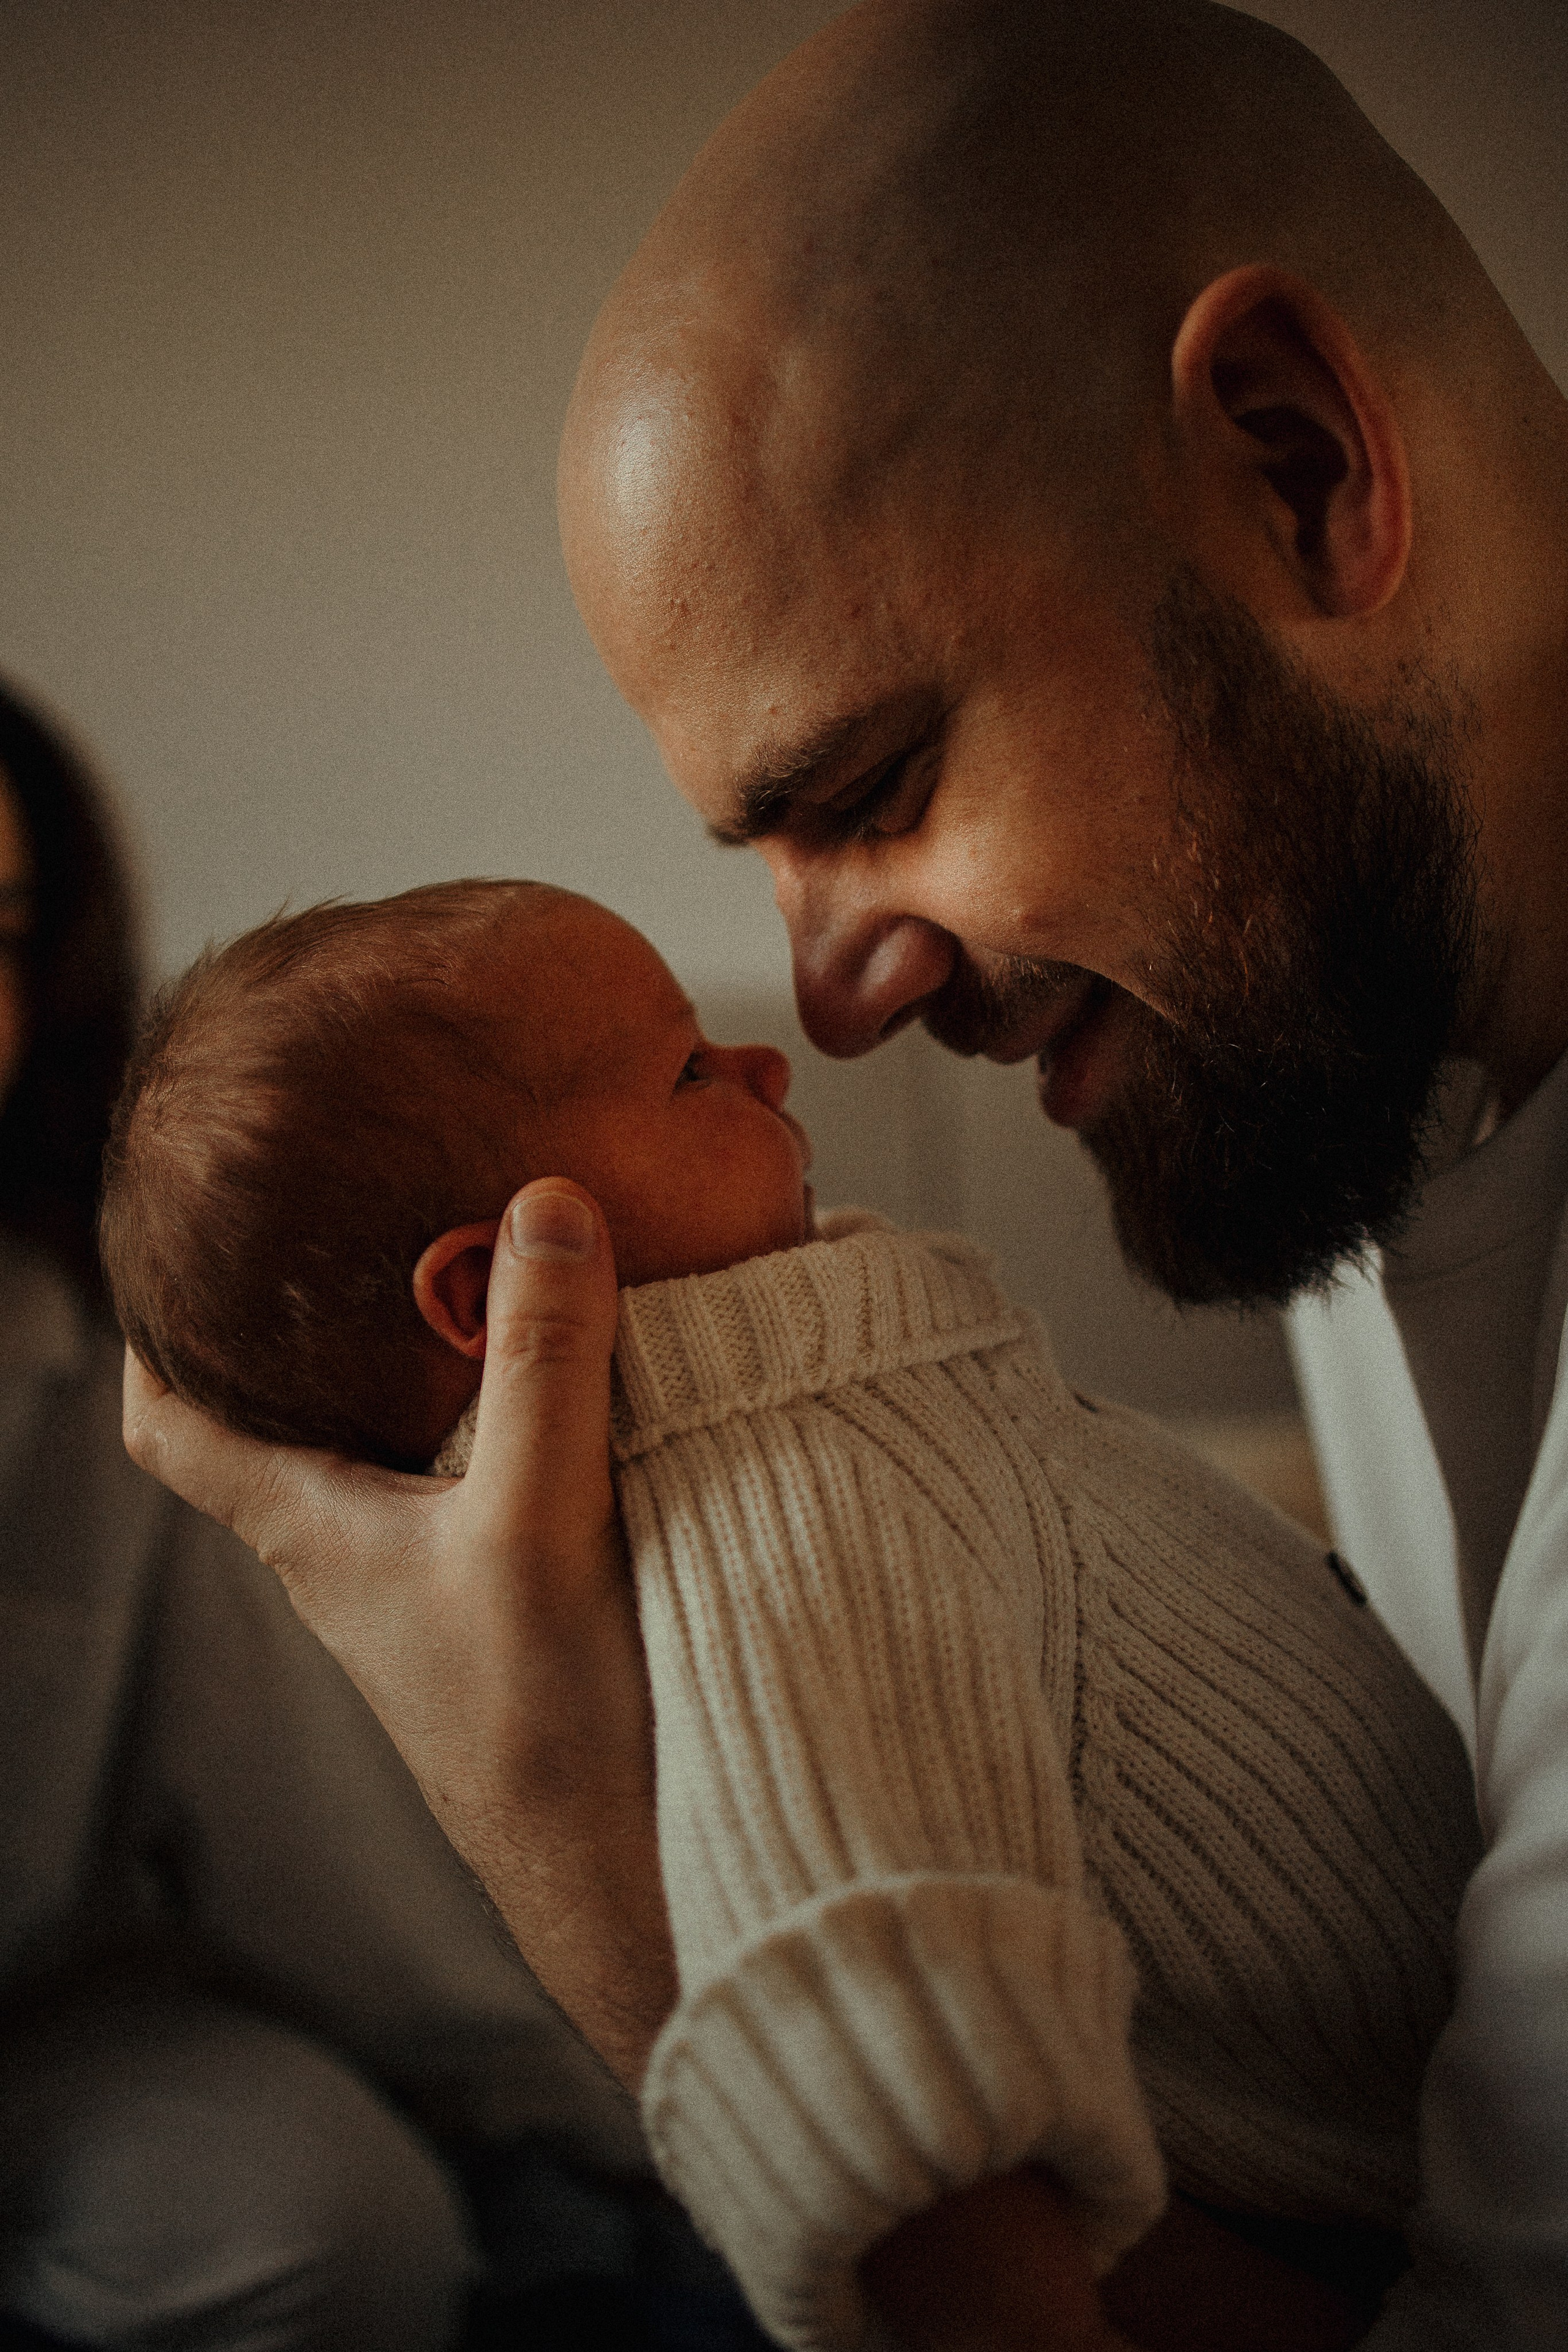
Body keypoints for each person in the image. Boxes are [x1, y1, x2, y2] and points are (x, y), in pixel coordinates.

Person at [121, 0, 1568, 2344]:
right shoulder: (1364, 1035)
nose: (827, 1012)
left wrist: (605, 1883)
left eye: (873, 776)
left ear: (1299, 469)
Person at [104, 876, 1479, 2350]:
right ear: (489, 1291)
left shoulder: (824, 1389)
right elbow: (869, 1995)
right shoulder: (777, 1484)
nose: (769, 1066)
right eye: (689, 1070)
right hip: (1370, 2197)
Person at [0, 684, 653, 2352]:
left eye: (0, 938)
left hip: (52, 2011)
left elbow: (313, 1841)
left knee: (334, 2218)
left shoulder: (102, 1355)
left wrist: (673, 2124)